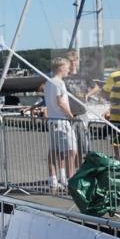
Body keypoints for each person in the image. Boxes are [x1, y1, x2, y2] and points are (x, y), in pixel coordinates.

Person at [44, 58, 77, 193]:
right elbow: (60, 102)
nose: (68, 70)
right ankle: (71, 183)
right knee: (71, 152)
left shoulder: (48, 82)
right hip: (61, 120)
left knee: (54, 151)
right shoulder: (59, 83)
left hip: (52, 120)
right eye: (67, 67)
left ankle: (53, 180)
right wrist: (70, 115)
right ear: (61, 67)